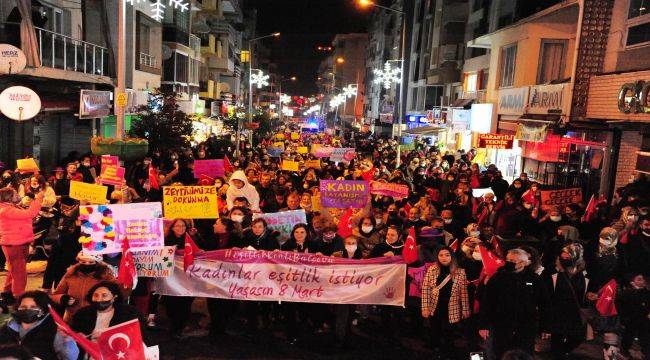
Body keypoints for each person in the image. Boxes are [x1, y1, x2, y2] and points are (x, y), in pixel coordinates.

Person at [479, 248, 542, 358]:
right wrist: (483, 325)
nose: (508, 263)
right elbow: (487, 302)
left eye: (513, 261)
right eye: (508, 260)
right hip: (501, 326)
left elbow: (544, 303)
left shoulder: (534, 278)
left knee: (524, 354)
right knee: (501, 354)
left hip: (526, 327)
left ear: (523, 263)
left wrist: (545, 327)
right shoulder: (497, 277)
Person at [0, 290, 79, 360]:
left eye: (33, 307)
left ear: (43, 310)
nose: (28, 310)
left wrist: (68, 341)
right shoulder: (8, 327)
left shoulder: (54, 331)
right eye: (23, 307)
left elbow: (70, 357)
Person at [421, 247, 470, 356]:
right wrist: (425, 307)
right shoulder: (432, 269)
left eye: (447, 255)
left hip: (452, 307)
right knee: (435, 328)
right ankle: (435, 345)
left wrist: (466, 310)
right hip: (436, 305)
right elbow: (425, 289)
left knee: (450, 331)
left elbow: (464, 293)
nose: (444, 258)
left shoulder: (460, 272)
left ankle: (449, 349)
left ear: (452, 257)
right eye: (441, 255)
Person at [0, 188, 43, 302]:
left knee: (14, 270)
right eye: (15, 194)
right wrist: (38, 199)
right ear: (9, 197)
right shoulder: (6, 210)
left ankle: (7, 293)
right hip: (14, 244)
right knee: (20, 274)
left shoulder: (11, 207)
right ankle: (19, 298)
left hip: (19, 243)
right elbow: (30, 213)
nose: (18, 195)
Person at [71, 281, 145, 343]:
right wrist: (78, 336)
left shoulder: (129, 314)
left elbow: (137, 337)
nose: (99, 299)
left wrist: (107, 337)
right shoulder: (82, 314)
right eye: (95, 295)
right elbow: (73, 332)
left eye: (104, 295)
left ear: (114, 297)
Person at [51, 251, 116, 320]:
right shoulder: (70, 274)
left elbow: (118, 294)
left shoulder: (106, 276)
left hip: (97, 318)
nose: (87, 264)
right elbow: (55, 295)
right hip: (72, 318)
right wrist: (63, 298)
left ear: (97, 263)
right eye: (83, 262)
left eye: (91, 262)